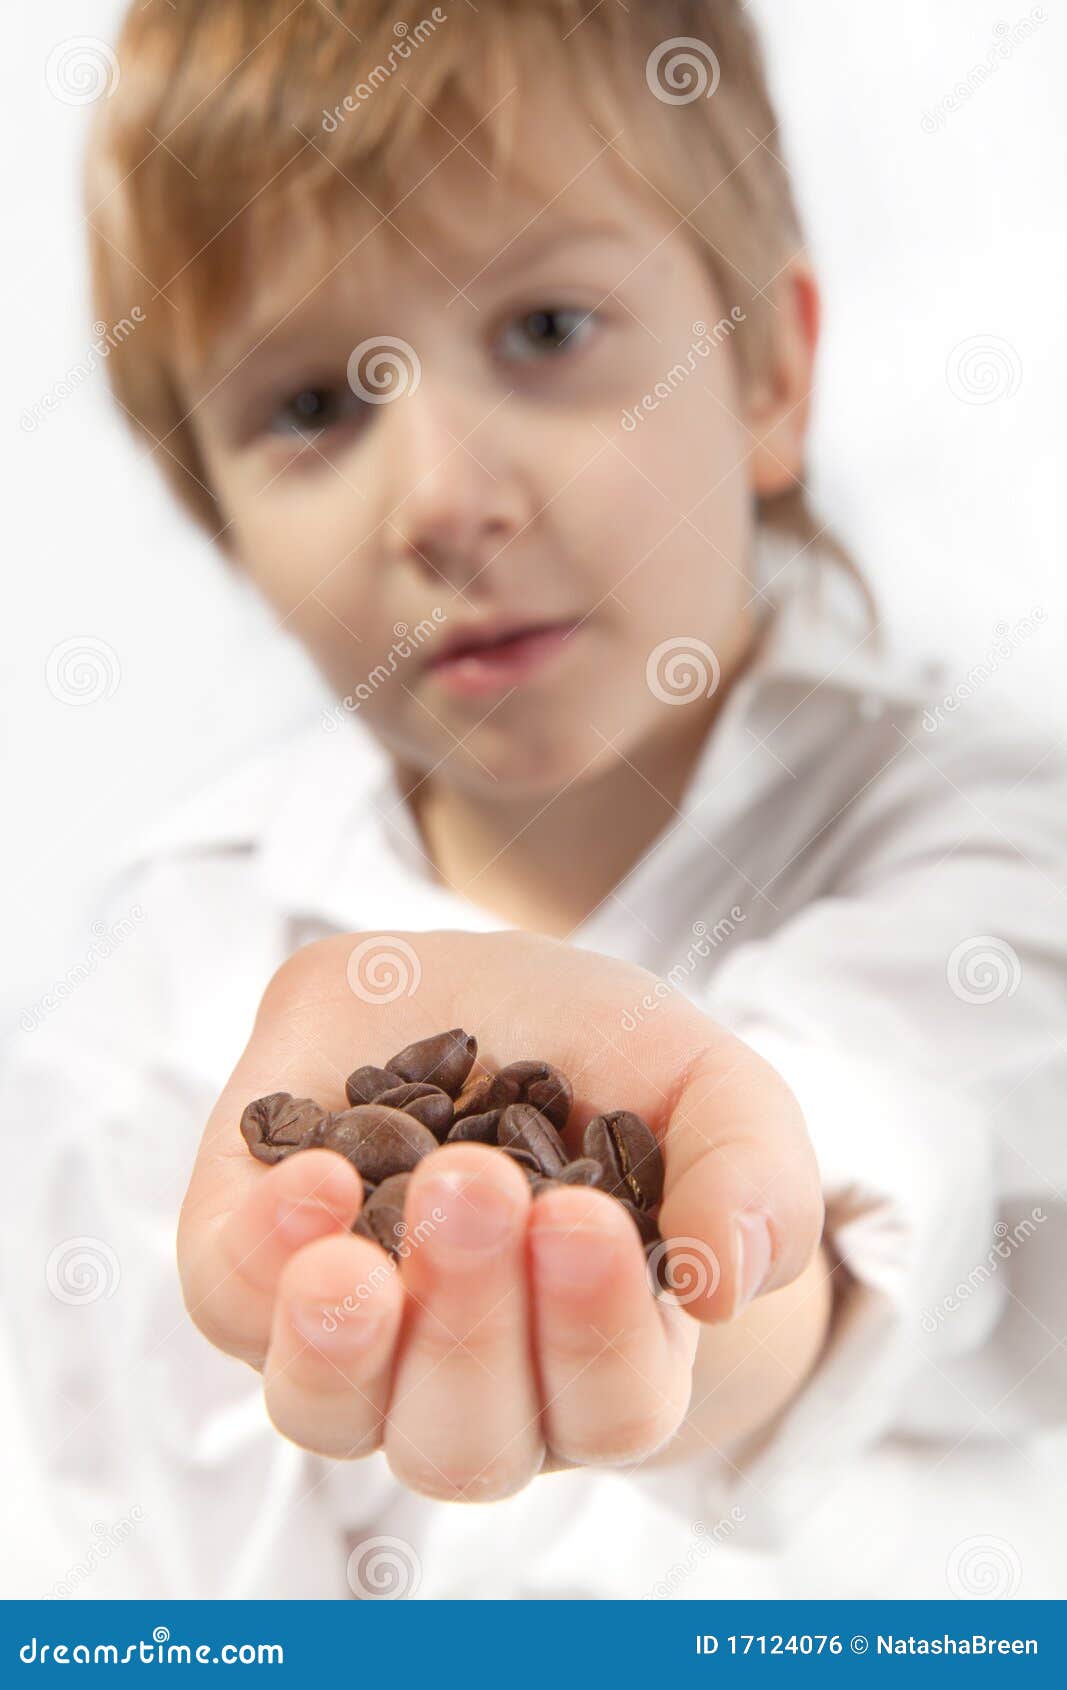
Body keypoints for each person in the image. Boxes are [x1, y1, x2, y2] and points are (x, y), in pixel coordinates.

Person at [5, 0, 1064, 1600]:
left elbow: (872, 1173)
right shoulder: (141, 1006)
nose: (440, 498)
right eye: (312, 407)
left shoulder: (1000, 846)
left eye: (549, 332)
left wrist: (692, 1237)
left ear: (770, 369)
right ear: (213, 514)